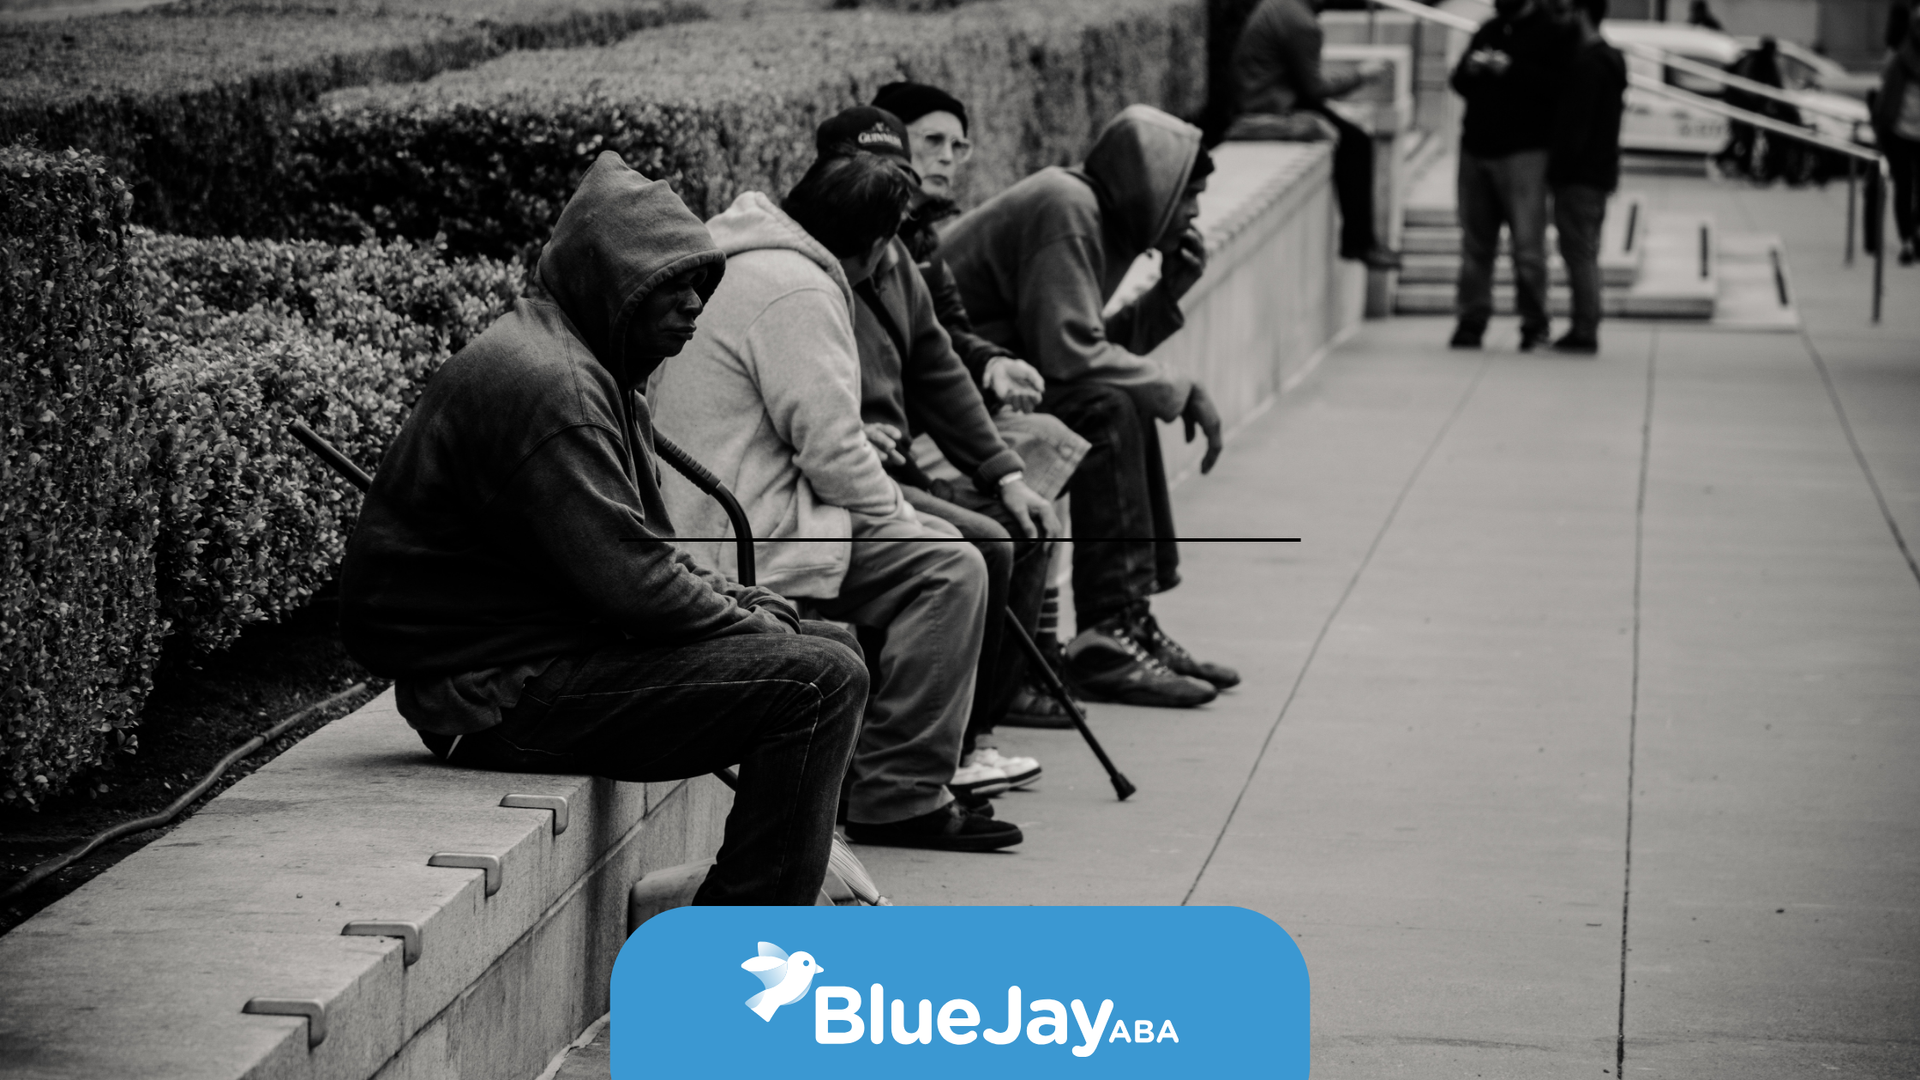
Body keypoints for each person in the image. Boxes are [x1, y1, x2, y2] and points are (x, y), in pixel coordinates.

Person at [338, 152, 865, 906]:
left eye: (700, 285)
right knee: (820, 681)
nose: (693, 306)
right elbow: (636, 586)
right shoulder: (557, 388)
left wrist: (742, 603)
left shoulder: (585, 364)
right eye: (671, 285)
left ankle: (771, 897)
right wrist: (746, 617)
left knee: (830, 647)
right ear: (613, 282)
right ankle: (732, 953)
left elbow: (640, 556)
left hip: (540, 661)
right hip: (494, 701)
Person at [648, 149, 1022, 853]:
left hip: (719, 511)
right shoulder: (798, 290)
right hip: (739, 534)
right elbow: (833, 452)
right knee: (950, 567)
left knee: (944, 544)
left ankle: (878, 773)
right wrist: (904, 520)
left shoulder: (745, 252)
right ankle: (899, 792)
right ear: (880, 245)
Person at [943, 104, 1241, 709]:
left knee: (1115, 402)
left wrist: (1166, 297)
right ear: (1155, 186)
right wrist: (1177, 389)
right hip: (956, 391)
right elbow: (1071, 358)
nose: (1194, 215)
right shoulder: (1068, 206)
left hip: (1003, 381)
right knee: (1110, 408)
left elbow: (1079, 347)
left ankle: (1126, 620)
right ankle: (1111, 630)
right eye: (1190, 198)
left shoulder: (1099, 216)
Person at [810, 104, 1058, 792]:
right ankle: (913, 763)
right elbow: (805, 411)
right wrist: (856, 433)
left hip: (892, 468)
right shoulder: (809, 259)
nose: (890, 183)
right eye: (868, 168)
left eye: (897, 170)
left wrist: (1006, 472)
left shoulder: (895, 251)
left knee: (1019, 521)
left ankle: (968, 739)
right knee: (977, 546)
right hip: (836, 482)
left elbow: (937, 363)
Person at [1225, 0, 1402, 269]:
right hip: (1271, 105)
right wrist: (1361, 75)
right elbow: (1315, 87)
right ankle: (1360, 243)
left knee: (1352, 134)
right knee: (1356, 143)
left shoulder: (1279, 7)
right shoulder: (1302, 24)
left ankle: (1362, 242)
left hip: (1264, 95)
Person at [1448, 0, 1576, 351]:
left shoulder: (1552, 32)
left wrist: (1511, 70)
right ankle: (1471, 320)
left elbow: (1559, 88)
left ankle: (1534, 323)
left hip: (1525, 153)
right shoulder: (1489, 29)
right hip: (1477, 149)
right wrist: (1472, 69)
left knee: (1528, 247)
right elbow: (1457, 81)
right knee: (1475, 245)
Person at [1547, 0, 1627, 354]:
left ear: (1580, 13)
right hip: (1598, 171)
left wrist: (1557, 171)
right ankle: (1586, 324)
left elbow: (1575, 129)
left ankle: (1584, 328)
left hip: (1581, 176)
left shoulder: (1587, 64)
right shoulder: (1609, 59)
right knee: (1585, 252)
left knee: (1579, 253)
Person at [1873, 13, 1920, 264]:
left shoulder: (1899, 58)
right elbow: (1885, 101)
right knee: (1904, 187)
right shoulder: (1900, 60)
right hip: (1900, 133)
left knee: (1911, 189)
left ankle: (1913, 234)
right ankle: (1907, 240)